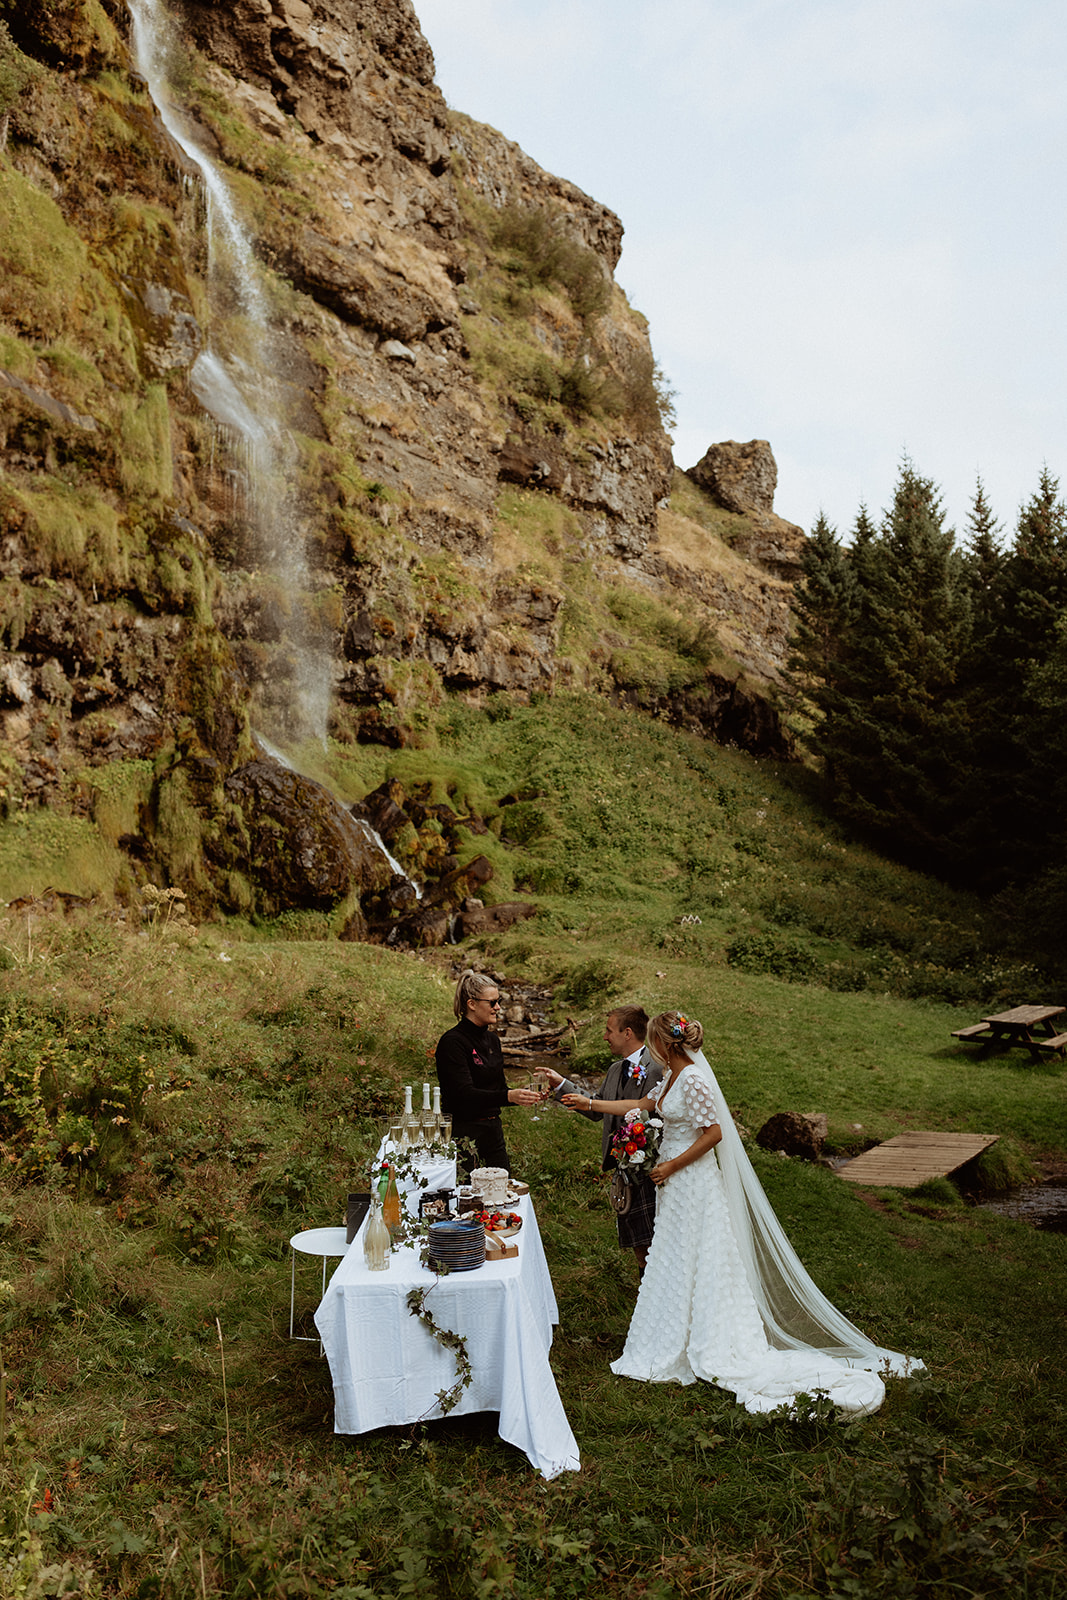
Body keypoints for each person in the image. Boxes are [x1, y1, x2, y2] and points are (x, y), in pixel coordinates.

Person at [563, 1009, 922, 1415]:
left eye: (653, 1042)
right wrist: (589, 1102)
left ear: (664, 1043)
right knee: (676, 1256)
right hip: (674, 1186)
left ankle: (710, 1338)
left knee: (699, 1254)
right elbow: (645, 1103)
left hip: (692, 1182)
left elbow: (714, 1133)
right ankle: (673, 1335)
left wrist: (671, 1165)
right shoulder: (671, 1077)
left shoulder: (694, 1079)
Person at [542, 1005, 662, 1277]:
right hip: (624, 1169)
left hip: (650, 1170)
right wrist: (561, 1085)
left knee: (653, 1243)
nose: (605, 1036)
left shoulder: (656, 1067)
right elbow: (596, 1108)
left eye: (609, 1030)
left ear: (627, 1033)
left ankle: (656, 1298)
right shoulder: (615, 1068)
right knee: (637, 1244)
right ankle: (645, 1297)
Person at [435, 969, 541, 1176]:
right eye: (492, 1003)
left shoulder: (492, 1040)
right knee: (468, 1198)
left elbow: (498, 1089)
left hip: (493, 1132)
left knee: (502, 1194)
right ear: (472, 1004)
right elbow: (463, 1094)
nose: (498, 1008)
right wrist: (508, 1096)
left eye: (498, 1001)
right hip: (464, 1134)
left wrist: (521, 1096)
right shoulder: (453, 1042)